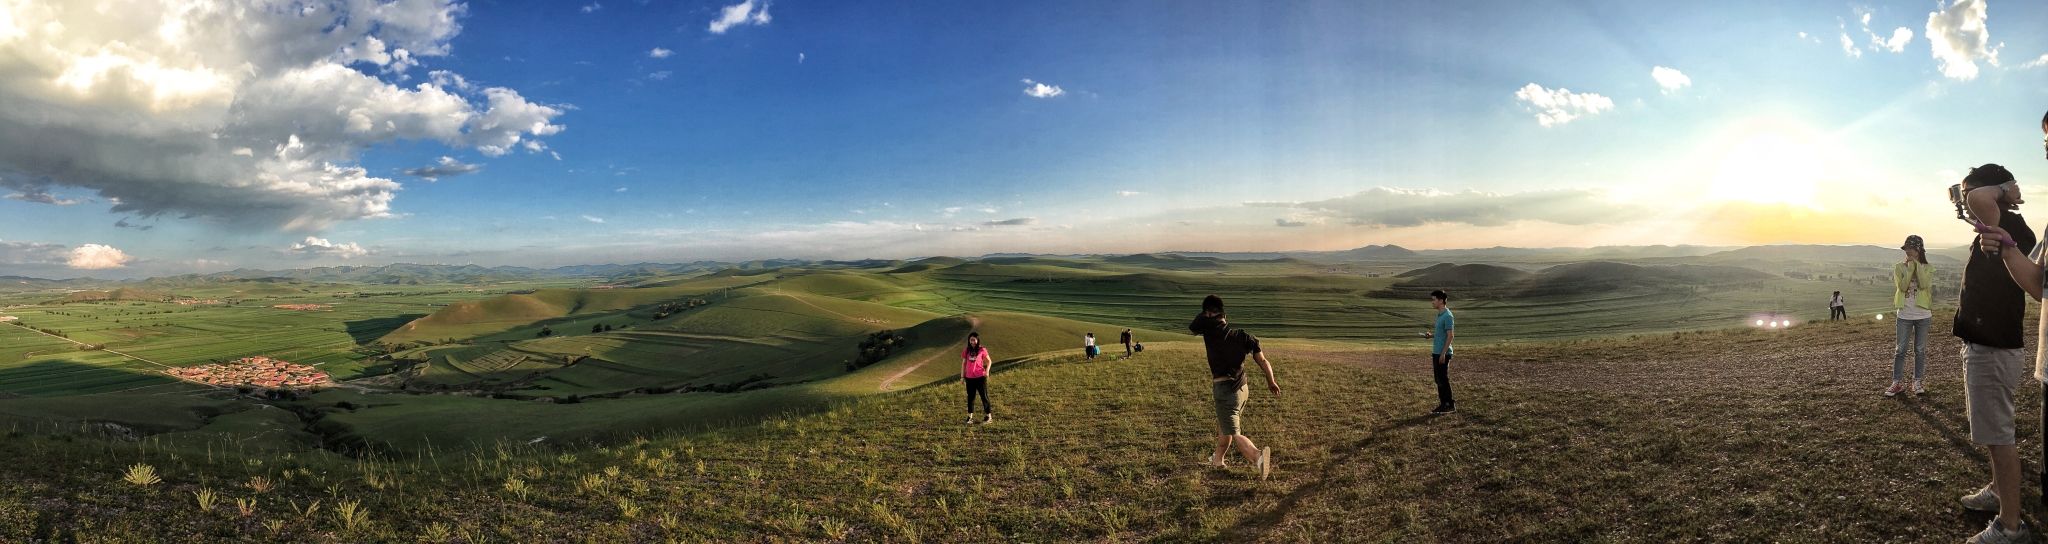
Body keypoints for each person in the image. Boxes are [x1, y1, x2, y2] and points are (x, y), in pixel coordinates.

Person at [1951, 163, 2037, 543]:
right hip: (1987, 343)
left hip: (1993, 347)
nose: (1969, 206)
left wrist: (2004, 189)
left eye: (1973, 195)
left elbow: (1978, 198)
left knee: (1999, 435)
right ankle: (1999, 490)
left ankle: (2010, 526)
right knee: (1991, 431)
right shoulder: (1997, 224)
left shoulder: (2001, 216)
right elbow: (1973, 200)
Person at [1190, 295, 1279, 479]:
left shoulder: (1209, 330)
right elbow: (1262, 360)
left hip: (1225, 391)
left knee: (1234, 431)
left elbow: (1193, 326)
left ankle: (1258, 456)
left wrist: (1206, 314)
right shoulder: (1243, 336)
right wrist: (1271, 381)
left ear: (1209, 314)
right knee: (1226, 426)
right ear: (1225, 315)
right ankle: (1217, 460)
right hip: (1243, 389)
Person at [1888, 235, 1936, 397]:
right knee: (1900, 350)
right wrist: (1909, 269)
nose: (1907, 251)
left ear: (1918, 250)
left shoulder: (1928, 267)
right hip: (1904, 315)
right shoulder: (1899, 267)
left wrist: (1917, 266)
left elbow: (1923, 284)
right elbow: (1902, 287)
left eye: (1911, 248)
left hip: (1923, 315)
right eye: (1906, 248)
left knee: (1920, 350)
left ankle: (1917, 382)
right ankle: (1897, 383)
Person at [1421, 290, 1456, 415]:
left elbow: (1450, 336)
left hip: (1443, 353)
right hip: (1437, 351)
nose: (1432, 302)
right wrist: (1431, 336)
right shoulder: (1440, 315)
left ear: (1441, 300)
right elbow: (1442, 334)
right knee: (1438, 379)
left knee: (1443, 378)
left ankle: (1449, 405)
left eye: (1434, 299)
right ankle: (1443, 404)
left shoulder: (1448, 315)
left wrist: (1443, 353)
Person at [961, 332, 994, 424]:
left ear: (977, 340)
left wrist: (987, 371)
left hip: (980, 377)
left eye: (974, 340)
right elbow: (964, 364)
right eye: (971, 340)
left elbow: (989, 361)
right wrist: (962, 377)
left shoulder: (982, 350)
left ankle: (989, 416)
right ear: (969, 340)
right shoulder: (966, 350)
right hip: (969, 378)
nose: (972, 342)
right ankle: (969, 417)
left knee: (984, 396)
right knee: (970, 397)